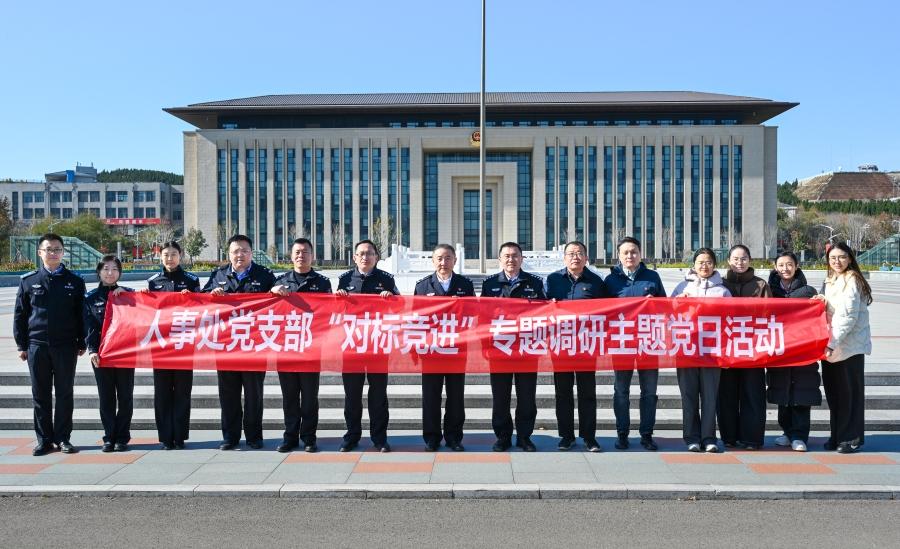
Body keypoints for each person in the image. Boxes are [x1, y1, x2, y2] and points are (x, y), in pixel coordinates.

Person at [14, 233, 87, 456]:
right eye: (48, 249)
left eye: (57, 249)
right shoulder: (28, 281)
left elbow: (81, 315)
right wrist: (21, 345)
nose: (53, 253)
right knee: (40, 394)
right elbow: (20, 314)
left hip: (65, 345)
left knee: (65, 393)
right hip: (37, 345)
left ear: (63, 252)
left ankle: (63, 438)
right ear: (40, 252)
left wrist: (82, 341)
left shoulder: (75, 281)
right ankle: (44, 439)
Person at [201, 235, 275, 450]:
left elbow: (279, 302)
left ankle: (254, 436)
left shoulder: (265, 275)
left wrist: (275, 292)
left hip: (255, 344)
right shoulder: (218, 275)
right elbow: (201, 300)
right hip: (226, 345)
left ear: (251, 252)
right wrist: (211, 294)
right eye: (235, 251)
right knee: (228, 394)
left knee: (254, 394)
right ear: (229, 254)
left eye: (244, 250)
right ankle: (230, 436)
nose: (240, 254)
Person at [481, 242, 547, 452]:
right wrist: (484, 346)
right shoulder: (490, 284)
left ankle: (524, 437)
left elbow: (545, 315)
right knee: (500, 397)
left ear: (522, 258)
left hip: (526, 349)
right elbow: (482, 318)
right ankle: (503, 436)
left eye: (515, 255)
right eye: (507, 256)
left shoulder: (535, 283)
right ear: (500, 259)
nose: (511, 260)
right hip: (499, 349)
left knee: (527, 397)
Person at [335, 239, 400, 453]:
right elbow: (335, 312)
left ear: (376, 257)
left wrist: (392, 299)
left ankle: (379, 439)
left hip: (377, 344)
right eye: (361, 254)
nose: (365, 257)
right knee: (352, 395)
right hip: (352, 345)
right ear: (354, 257)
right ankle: (351, 437)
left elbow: (400, 309)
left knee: (378, 394)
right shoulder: (345, 279)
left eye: (369, 254)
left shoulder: (386, 279)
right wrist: (338, 299)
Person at [270, 238, 333, 453]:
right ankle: (290, 437)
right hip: (286, 347)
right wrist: (271, 293)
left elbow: (328, 314)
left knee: (309, 397)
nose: (301, 256)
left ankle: (309, 438)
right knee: (289, 396)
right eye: (297, 252)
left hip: (310, 347)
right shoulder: (279, 282)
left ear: (312, 256)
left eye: (305, 252)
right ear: (291, 256)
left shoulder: (322, 282)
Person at [604, 236, 666, 451]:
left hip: (648, 343)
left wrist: (655, 305)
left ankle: (647, 434)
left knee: (649, 391)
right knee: (621, 391)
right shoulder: (610, 280)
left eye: (634, 252)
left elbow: (666, 308)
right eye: (626, 252)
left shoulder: (652, 277)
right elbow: (601, 312)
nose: (630, 256)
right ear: (619, 256)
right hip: (621, 343)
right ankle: (622, 433)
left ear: (640, 254)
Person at [544, 241, 606, 452]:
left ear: (586, 258)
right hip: (560, 344)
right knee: (563, 392)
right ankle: (566, 436)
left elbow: (607, 312)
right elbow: (542, 308)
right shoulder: (553, 280)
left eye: (579, 253)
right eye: (571, 253)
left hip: (587, 345)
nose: (575, 257)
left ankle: (589, 437)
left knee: (587, 392)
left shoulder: (596, 282)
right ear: (564, 258)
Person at [414, 244, 474, 452]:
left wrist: (462, 306)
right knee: (431, 396)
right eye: (439, 258)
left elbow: (475, 314)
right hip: (431, 350)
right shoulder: (423, 286)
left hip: (457, 348)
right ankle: (431, 438)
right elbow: (415, 318)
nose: (443, 262)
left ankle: (454, 437)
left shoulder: (465, 284)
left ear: (455, 260)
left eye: (448, 258)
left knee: (456, 396)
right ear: (432, 261)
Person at [671, 248, 732, 452]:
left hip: (712, 351)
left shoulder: (723, 291)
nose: (704, 266)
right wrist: (678, 301)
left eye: (708, 262)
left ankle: (709, 438)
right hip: (686, 349)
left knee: (710, 397)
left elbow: (731, 319)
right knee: (688, 396)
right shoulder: (682, 286)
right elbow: (667, 312)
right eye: (700, 262)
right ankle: (691, 438)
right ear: (694, 264)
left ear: (714, 264)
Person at [814, 242, 872, 453]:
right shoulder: (831, 279)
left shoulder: (852, 280)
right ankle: (837, 435)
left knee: (850, 395)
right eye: (832, 258)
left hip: (849, 347)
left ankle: (851, 439)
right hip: (833, 345)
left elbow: (846, 317)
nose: (837, 261)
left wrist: (831, 343)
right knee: (835, 395)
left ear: (850, 258)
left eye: (841, 257)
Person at [142, 241, 200, 450]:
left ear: (181, 255)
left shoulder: (191, 280)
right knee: (162, 392)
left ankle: (180, 436)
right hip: (161, 344)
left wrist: (193, 299)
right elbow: (147, 312)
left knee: (183, 391)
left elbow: (202, 309)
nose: (170, 258)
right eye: (166, 254)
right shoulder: (153, 282)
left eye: (174, 254)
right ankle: (166, 436)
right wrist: (143, 298)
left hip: (184, 344)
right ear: (160, 256)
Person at [719, 244, 773, 450]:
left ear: (750, 260)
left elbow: (770, 315)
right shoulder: (720, 284)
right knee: (726, 394)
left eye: (743, 259)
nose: (739, 263)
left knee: (753, 393)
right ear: (728, 261)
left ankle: (752, 438)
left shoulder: (760, 285)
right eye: (735, 259)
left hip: (753, 348)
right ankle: (729, 437)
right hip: (726, 348)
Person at [767, 252, 821, 452]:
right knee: (782, 391)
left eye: (789, 264)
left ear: (797, 266)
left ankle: (799, 435)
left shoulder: (808, 291)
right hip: (779, 348)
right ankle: (787, 431)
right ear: (775, 267)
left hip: (801, 348)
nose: (785, 269)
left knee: (801, 392)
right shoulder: (769, 291)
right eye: (781, 265)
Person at [84, 255, 134, 452]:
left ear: (120, 272)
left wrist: (128, 298)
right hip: (101, 355)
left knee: (125, 397)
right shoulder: (90, 298)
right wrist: (92, 350)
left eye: (115, 269)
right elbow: (89, 327)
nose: (110, 273)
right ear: (99, 271)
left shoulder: (130, 295)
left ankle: (122, 437)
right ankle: (109, 437)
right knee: (106, 398)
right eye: (106, 269)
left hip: (125, 354)